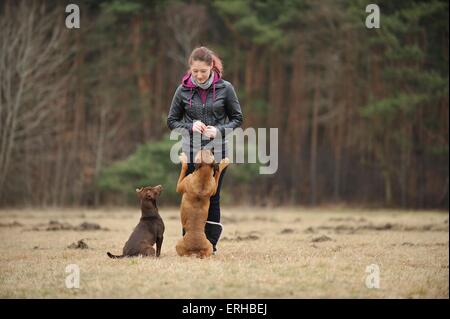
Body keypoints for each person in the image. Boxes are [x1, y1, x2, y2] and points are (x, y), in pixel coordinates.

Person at [167, 46, 243, 254]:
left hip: (217, 152)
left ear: (212, 67)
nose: (199, 76)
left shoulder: (226, 88)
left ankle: (211, 245)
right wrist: (189, 127)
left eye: (203, 71)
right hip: (191, 152)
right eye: (195, 71)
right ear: (190, 69)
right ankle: (188, 242)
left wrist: (218, 131)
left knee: (213, 197)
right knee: (190, 197)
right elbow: (172, 121)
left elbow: (237, 119)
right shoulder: (182, 90)